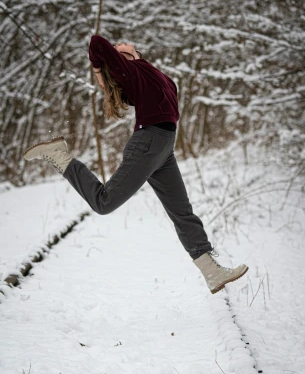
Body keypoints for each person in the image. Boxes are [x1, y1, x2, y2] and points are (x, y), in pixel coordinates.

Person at [24, 35, 248, 294]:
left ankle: (211, 271)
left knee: (182, 212)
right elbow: (97, 42)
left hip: (163, 147)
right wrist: (101, 70)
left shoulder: (149, 72)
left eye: (121, 46)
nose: (119, 44)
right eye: (117, 48)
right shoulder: (128, 72)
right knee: (104, 203)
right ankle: (60, 157)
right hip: (148, 143)